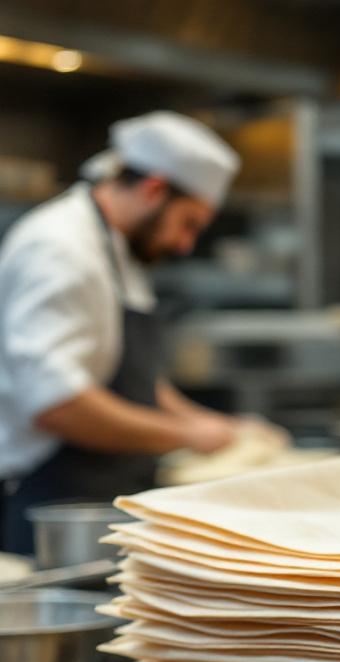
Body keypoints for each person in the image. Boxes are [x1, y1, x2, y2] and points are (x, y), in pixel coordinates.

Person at [0, 111, 246, 554]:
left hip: (102, 494)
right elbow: (57, 404)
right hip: (49, 505)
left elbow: (132, 377)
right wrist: (187, 436)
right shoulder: (58, 248)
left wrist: (208, 422)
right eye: (188, 223)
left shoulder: (119, 251)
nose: (185, 245)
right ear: (154, 189)